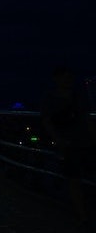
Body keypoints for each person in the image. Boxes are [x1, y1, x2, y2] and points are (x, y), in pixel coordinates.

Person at [40, 65, 95, 228]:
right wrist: (58, 140)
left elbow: (86, 118)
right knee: (74, 180)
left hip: (84, 142)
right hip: (69, 144)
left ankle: (83, 214)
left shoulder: (77, 95)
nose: (68, 80)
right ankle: (82, 215)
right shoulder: (51, 97)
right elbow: (47, 121)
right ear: (56, 79)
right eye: (65, 77)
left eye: (69, 77)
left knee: (78, 178)